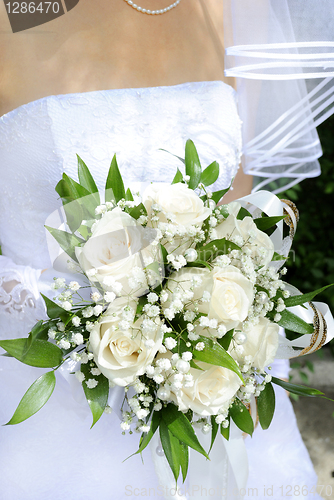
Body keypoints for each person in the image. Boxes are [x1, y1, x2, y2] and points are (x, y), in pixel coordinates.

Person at [0, 1, 332, 499]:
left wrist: (235, 344)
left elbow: (239, 220)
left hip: (209, 397)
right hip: (40, 397)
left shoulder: (236, 10)